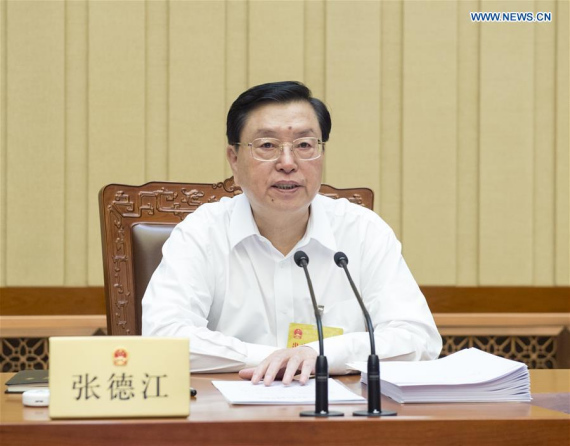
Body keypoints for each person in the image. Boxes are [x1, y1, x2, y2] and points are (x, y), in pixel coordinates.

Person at [142, 81, 441, 386]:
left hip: (340, 420)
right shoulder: (201, 233)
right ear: (234, 159)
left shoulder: (363, 231)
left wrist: (322, 354)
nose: (288, 163)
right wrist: (276, 358)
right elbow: (164, 337)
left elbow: (418, 339)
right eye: (267, 146)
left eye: (304, 145)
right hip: (229, 418)